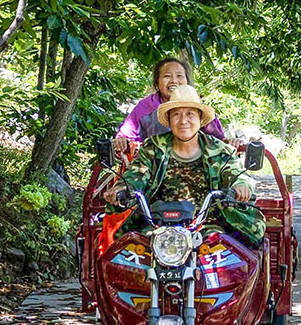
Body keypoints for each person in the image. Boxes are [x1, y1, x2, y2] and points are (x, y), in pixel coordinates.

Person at [110, 84, 266, 246]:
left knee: (225, 257)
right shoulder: (154, 147)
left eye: (190, 114)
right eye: (176, 114)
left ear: (200, 119)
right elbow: (136, 175)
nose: (183, 121)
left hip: (207, 226)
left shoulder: (220, 150)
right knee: (128, 256)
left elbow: (238, 175)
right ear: (169, 121)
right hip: (156, 226)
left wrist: (241, 186)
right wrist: (122, 188)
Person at [113, 54, 224, 158]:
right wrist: (122, 140)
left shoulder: (198, 107)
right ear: (157, 82)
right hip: (155, 167)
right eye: (167, 76)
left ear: (187, 81)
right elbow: (125, 135)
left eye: (179, 76)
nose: (174, 81)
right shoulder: (146, 107)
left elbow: (218, 140)